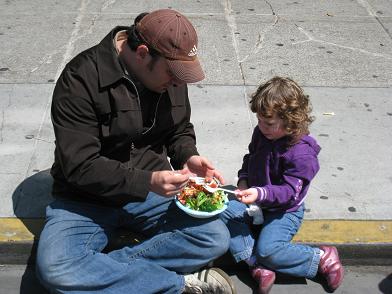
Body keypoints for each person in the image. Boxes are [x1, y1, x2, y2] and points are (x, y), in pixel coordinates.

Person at [35, 9, 237, 294]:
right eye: (172, 73)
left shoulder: (169, 76)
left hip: (151, 194)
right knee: (57, 270)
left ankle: (105, 270)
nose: (178, 82)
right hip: (85, 198)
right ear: (142, 52)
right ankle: (181, 285)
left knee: (213, 238)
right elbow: (80, 166)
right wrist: (148, 181)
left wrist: (188, 155)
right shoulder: (80, 79)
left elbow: (179, 129)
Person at [220, 77, 344, 294]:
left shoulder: (303, 155)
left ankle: (321, 258)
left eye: (268, 123)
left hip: (284, 211)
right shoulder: (262, 133)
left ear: (291, 120)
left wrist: (259, 193)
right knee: (220, 210)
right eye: (259, 120)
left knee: (270, 250)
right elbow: (251, 157)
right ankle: (256, 263)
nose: (261, 127)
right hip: (256, 200)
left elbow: (288, 193)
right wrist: (243, 180)